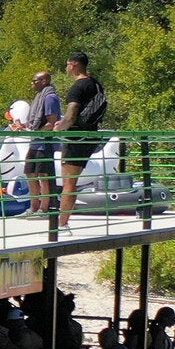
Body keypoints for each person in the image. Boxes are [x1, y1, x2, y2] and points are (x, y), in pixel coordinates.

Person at [55, 52, 110, 232]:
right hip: (91, 136)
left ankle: (62, 225)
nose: (66, 68)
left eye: (66, 64)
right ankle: (63, 223)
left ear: (73, 65)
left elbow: (70, 117)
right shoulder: (96, 84)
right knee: (72, 181)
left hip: (76, 138)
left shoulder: (78, 87)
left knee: (68, 183)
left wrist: (58, 128)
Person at [25, 69, 63, 215]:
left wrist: (36, 131)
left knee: (44, 175)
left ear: (44, 82)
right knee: (30, 173)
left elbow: (51, 123)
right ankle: (33, 207)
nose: (32, 84)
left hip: (44, 143)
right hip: (35, 141)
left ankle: (44, 208)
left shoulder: (49, 97)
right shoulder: (39, 97)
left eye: (35, 81)